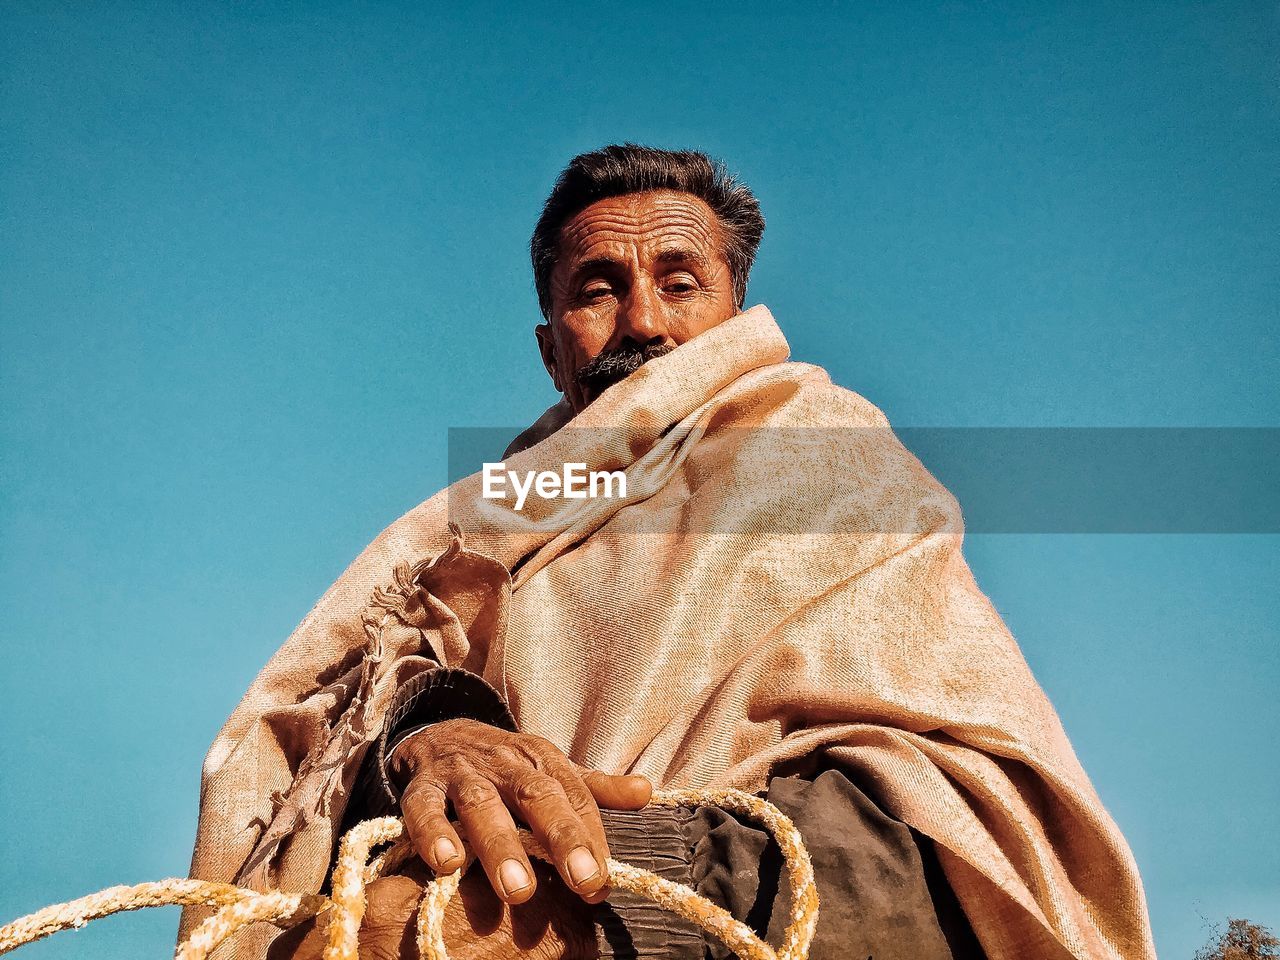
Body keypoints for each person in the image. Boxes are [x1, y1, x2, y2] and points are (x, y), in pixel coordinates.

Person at [181, 145, 1157, 960]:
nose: (642, 322)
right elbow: (327, 736)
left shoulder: (828, 465)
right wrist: (432, 734)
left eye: (678, 283)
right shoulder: (468, 531)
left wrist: (594, 889)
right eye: (597, 290)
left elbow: (952, 832)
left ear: (734, 314)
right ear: (549, 347)